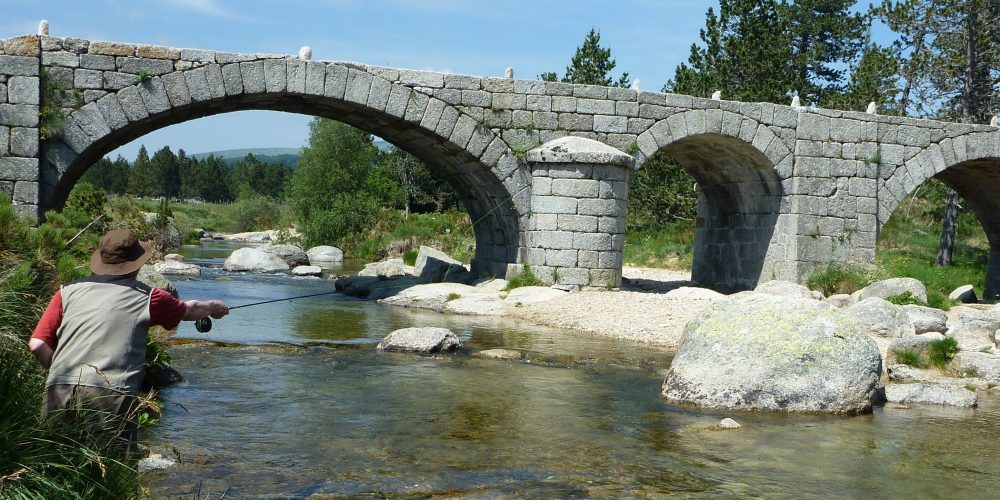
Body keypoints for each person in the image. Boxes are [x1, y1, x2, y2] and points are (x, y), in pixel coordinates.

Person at [28, 228, 230, 451]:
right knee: (110, 473)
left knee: (55, 467)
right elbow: (190, 310)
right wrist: (214, 307)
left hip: (58, 389)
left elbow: (36, 344)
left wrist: (59, 369)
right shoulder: (150, 297)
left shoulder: (66, 292)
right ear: (137, 264)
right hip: (110, 394)